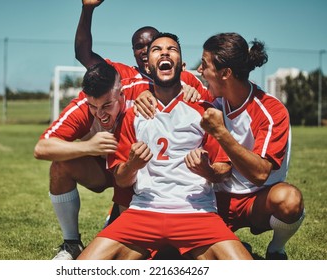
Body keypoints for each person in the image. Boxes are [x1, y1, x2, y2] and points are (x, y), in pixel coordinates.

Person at [44, 0, 205, 260]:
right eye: (138, 46)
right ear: (133, 52)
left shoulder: (182, 79)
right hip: (114, 164)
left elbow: (210, 109)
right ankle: (71, 242)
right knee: (61, 164)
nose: (144, 50)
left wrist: (194, 93)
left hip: (153, 174)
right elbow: (83, 54)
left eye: (150, 45)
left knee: (149, 251)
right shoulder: (120, 76)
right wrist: (87, 9)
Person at [77, 32, 253, 260]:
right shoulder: (133, 114)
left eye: (172, 49)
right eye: (156, 50)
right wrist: (132, 165)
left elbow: (225, 170)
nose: (165, 53)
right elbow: (120, 179)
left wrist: (206, 171)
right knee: (81, 267)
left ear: (182, 64)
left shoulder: (204, 111)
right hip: (144, 212)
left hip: (196, 213)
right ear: (147, 68)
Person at [195, 32, 305, 260]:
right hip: (218, 198)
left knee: (290, 200)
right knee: (181, 254)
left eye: (204, 65)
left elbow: (260, 173)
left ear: (225, 73)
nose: (200, 71)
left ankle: (277, 249)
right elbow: (171, 85)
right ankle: (233, 243)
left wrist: (221, 132)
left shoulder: (271, 111)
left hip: (258, 201)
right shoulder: (213, 99)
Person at [34, 62, 150, 259]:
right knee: (60, 165)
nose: (100, 114)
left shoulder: (141, 91)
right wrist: (88, 147)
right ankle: (71, 243)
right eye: (93, 107)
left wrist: (190, 88)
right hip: (104, 170)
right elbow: (41, 148)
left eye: (107, 105)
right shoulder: (81, 108)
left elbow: (177, 89)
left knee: (133, 245)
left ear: (121, 93)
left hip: (142, 172)